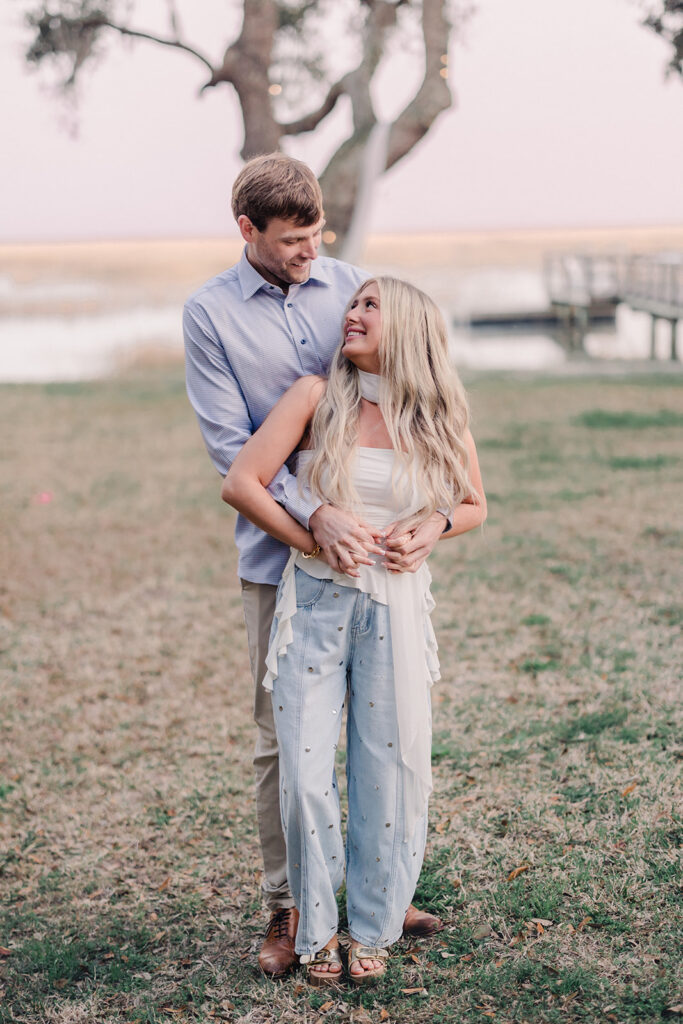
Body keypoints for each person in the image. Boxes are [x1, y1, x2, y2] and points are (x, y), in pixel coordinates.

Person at [184, 154, 449, 977]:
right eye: (292, 240)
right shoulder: (209, 315)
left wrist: (429, 517)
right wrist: (316, 520)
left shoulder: (352, 288)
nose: (310, 251)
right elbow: (235, 454)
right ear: (247, 232)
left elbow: (412, 402)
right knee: (283, 741)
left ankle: (375, 889)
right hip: (279, 558)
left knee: (380, 727)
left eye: (316, 234)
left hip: (378, 567)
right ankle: (290, 900)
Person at [222, 276, 486, 984]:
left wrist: (432, 525)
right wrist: (309, 534)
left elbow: (472, 505)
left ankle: (372, 924)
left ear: (408, 326)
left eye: (371, 304)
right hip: (312, 604)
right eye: (353, 302)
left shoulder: (436, 414)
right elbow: (243, 482)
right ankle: (314, 924)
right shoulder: (314, 397)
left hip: (394, 608)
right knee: (306, 773)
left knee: (389, 767)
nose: (353, 313)